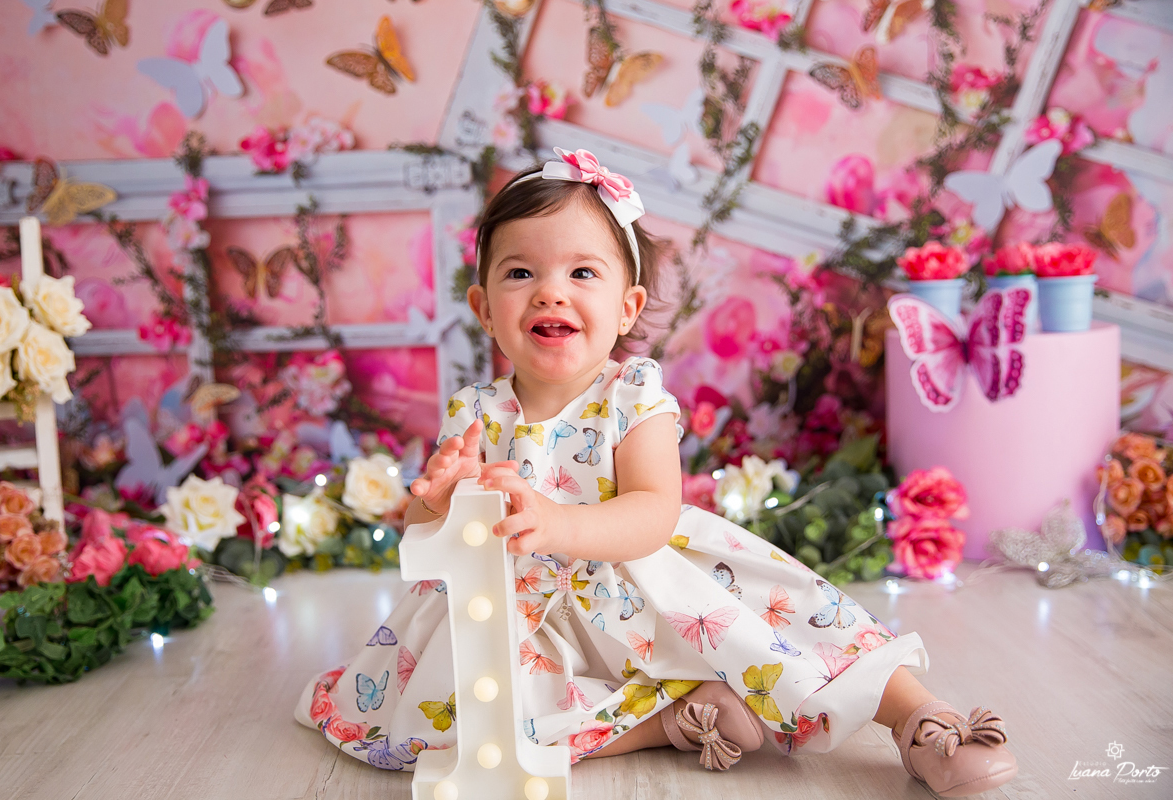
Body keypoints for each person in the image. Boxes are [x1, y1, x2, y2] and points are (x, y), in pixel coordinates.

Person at [295, 147, 1017, 796]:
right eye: (521, 273)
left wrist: (558, 522)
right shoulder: (476, 409)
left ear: (626, 307)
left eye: (582, 272)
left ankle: (915, 712)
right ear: (485, 309)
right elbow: (425, 543)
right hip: (523, 608)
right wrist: (439, 498)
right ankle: (673, 716)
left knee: (778, 624)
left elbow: (652, 510)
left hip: (639, 582)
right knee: (461, 712)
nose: (551, 291)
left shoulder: (630, 393)